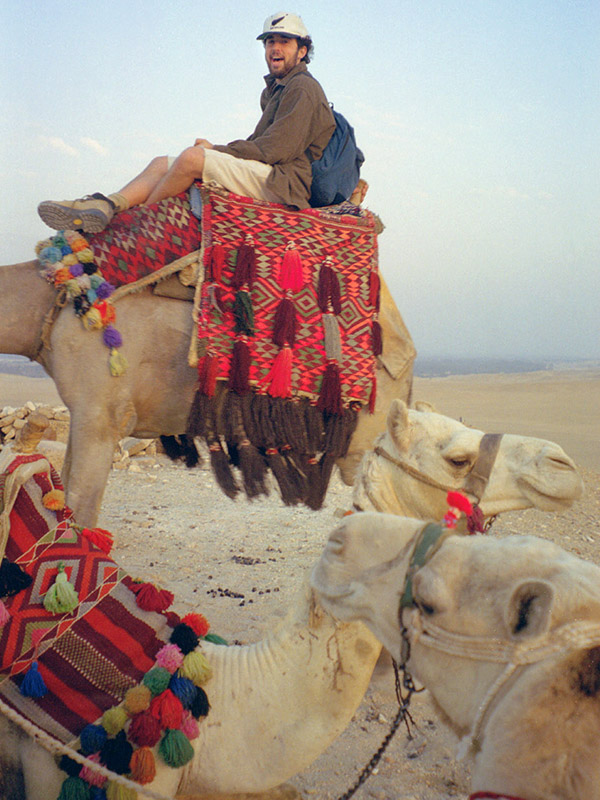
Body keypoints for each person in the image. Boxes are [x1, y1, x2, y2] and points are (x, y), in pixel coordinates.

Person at [37, 12, 337, 234]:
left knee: (192, 158)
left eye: (284, 42)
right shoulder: (277, 90)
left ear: (302, 50)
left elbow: (276, 149)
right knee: (161, 163)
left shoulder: (303, 88)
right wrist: (219, 152)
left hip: (283, 182)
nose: (275, 48)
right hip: (270, 171)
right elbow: (263, 146)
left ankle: (131, 228)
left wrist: (216, 150)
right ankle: (108, 205)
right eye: (271, 42)